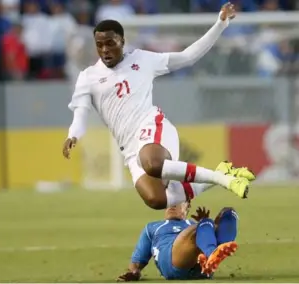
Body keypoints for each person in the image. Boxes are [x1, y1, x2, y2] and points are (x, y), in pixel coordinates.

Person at [62, 2, 255, 210]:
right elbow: (80, 114)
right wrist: (72, 135)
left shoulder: (143, 59)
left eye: (110, 43)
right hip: (129, 147)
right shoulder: (88, 77)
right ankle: (222, 173)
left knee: (152, 164)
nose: (105, 49)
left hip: (152, 127)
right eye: (99, 45)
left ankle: (223, 180)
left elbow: (188, 57)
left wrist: (220, 24)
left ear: (122, 41)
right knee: (156, 200)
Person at [117, 201, 239, 281]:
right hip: (173, 263)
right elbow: (136, 263)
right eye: (170, 198)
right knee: (203, 226)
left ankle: (211, 257)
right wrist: (134, 273)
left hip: (199, 268)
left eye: (178, 199)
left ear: (188, 206)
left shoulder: (192, 224)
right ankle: (213, 254)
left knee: (229, 213)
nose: (172, 204)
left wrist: (209, 225)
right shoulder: (152, 228)